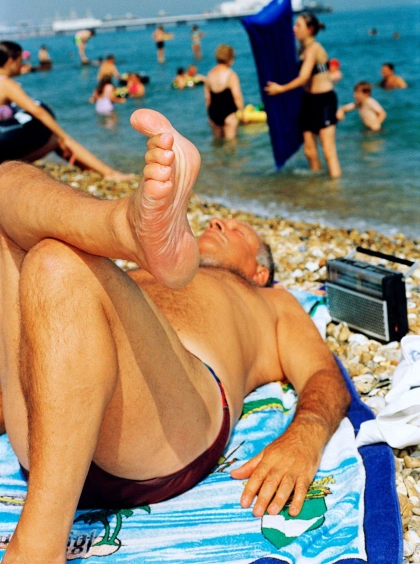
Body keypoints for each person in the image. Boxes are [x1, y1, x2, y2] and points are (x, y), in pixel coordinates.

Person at [0, 107, 350, 563]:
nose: (218, 223)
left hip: (168, 426)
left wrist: (304, 437)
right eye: (217, 221)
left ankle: (38, 548)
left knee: (57, 264)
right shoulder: (139, 275)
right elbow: (53, 343)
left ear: (260, 270)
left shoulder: (272, 300)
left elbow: (324, 375)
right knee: (6, 181)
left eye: (237, 229)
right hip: (47, 435)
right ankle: (123, 226)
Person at [0, 41, 132, 179]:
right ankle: (108, 173)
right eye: (20, 61)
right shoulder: (6, 84)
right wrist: (64, 136)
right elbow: (37, 111)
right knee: (57, 140)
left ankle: (95, 171)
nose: (22, 65)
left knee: (57, 141)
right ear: (10, 61)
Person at [264, 13, 342, 179]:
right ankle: (316, 185)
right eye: (295, 25)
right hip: (308, 101)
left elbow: (304, 77)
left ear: (310, 29)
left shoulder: (314, 48)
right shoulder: (301, 48)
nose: (294, 29)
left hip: (324, 101)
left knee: (328, 151)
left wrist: (281, 89)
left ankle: (335, 189)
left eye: (298, 25)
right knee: (309, 151)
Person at [205, 44, 245, 140]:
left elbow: (208, 99)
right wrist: (243, 114)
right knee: (231, 143)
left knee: (217, 142)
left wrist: (210, 116)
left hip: (213, 113)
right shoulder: (231, 75)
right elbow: (237, 96)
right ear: (230, 59)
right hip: (229, 113)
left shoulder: (209, 75)